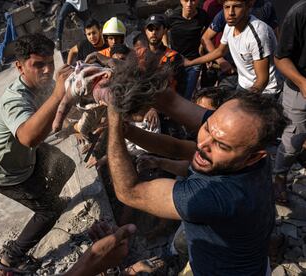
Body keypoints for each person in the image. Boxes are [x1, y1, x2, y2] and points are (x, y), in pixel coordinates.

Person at [107, 67, 288, 275]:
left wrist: (114, 120)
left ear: (256, 156)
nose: (203, 145)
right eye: (207, 128)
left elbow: (129, 191)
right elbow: (173, 109)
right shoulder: (241, 140)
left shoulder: (215, 197)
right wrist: (133, 78)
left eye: (222, 146)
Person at [0, 34, 74, 273]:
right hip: (7, 172)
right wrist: (57, 96)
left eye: (50, 63)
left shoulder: (44, 86)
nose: (47, 70)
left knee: (66, 166)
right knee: (49, 211)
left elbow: (63, 108)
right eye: (38, 65)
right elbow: (29, 138)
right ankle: (11, 257)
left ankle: (47, 198)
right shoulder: (13, 100)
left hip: (26, 154)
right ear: (20, 66)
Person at [185, 0, 281, 95]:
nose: (230, 13)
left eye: (237, 6)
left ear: (248, 7)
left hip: (266, 91)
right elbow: (219, 51)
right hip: (244, 83)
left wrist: (245, 102)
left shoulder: (258, 34)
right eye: (227, 7)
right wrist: (190, 63)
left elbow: (262, 80)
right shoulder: (230, 26)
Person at [273, 0, 306, 204]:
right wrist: (302, 82)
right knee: (292, 141)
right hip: (298, 88)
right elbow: (281, 58)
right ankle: (279, 178)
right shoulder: (299, 13)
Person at [165, 0, 210, 99]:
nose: (189, 4)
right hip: (176, 62)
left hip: (194, 62)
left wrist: (202, 45)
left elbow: (210, 31)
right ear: (181, 1)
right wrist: (166, 48)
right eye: (186, 0)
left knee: (186, 96)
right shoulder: (173, 16)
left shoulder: (203, 16)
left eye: (193, 0)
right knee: (173, 94)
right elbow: (163, 29)